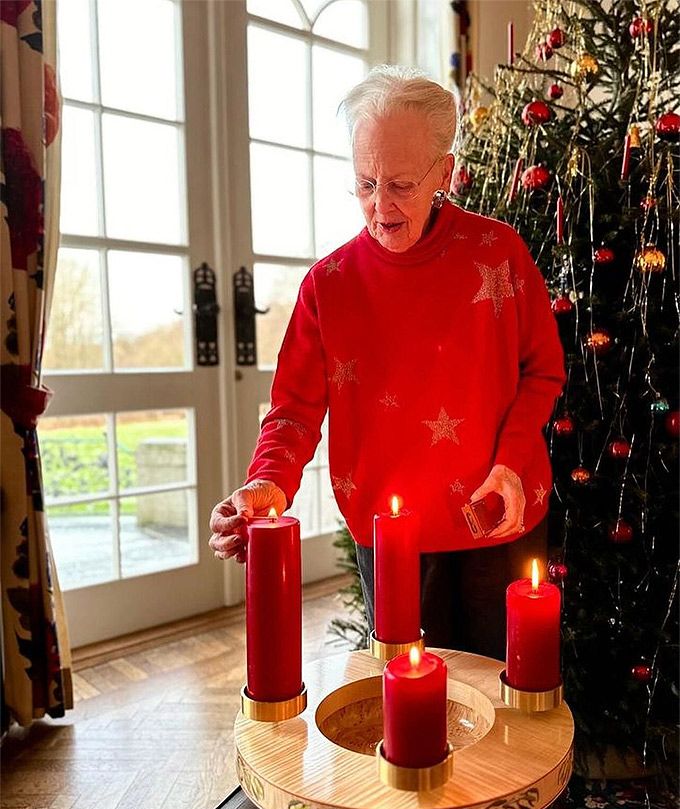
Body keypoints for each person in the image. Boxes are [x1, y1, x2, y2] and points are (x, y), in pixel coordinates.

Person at [209, 66, 565, 660]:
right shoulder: (329, 285)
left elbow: (543, 371)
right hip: (391, 537)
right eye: (366, 183)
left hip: (498, 517)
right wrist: (268, 482)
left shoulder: (498, 253)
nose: (380, 206)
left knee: (502, 712)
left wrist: (512, 460)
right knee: (408, 709)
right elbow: (294, 409)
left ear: (445, 173)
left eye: (400, 184)